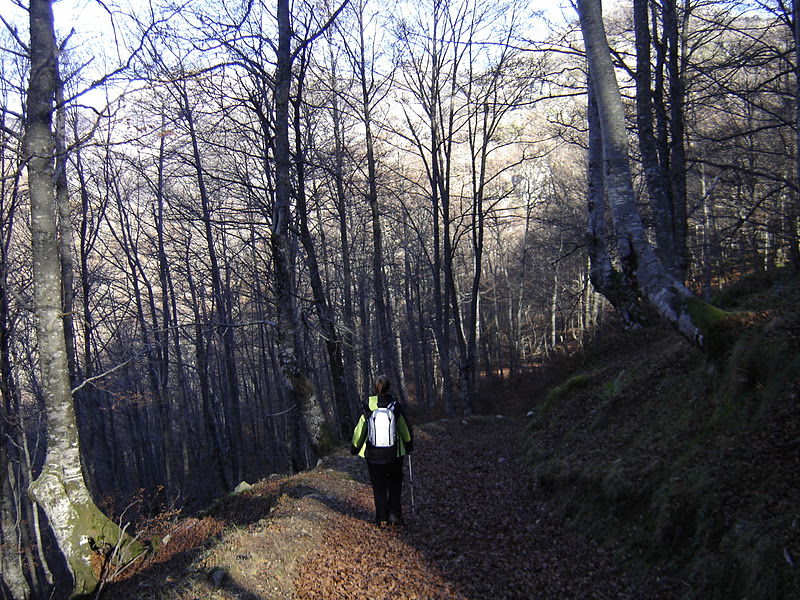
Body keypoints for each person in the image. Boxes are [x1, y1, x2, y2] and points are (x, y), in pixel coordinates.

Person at [351, 374, 413, 526]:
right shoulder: (395, 406)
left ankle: (381, 517)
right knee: (395, 484)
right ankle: (394, 515)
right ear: (389, 387)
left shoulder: (369, 407)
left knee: (378, 486)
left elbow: (360, 429)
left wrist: (355, 447)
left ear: (375, 388)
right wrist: (409, 445)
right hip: (394, 454)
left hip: (373, 454)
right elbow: (404, 428)